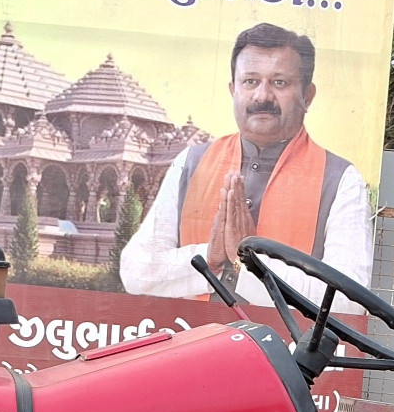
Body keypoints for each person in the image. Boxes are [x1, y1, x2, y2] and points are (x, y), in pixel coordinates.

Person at [119, 23, 371, 306]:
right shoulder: (190, 163)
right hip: (191, 340)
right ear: (233, 90)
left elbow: (350, 300)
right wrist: (209, 257)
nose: (262, 96)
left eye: (279, 83)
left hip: (286, 347)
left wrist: (253, 263)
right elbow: (135, 273)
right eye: (250, 81)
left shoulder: (340, 179)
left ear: (307, 96)